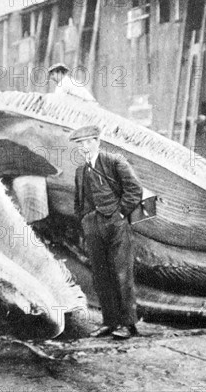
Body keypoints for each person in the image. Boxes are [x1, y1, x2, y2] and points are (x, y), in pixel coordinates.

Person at [71, 125, 142, 339]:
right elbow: (79, 200)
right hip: (92, 226)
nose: (84, 147)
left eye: (87, 142)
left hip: (116, 224)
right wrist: (84, 220)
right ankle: (110, 322)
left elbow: (134, 189)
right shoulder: (80, 171)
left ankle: (128, 324)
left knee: (122, 274)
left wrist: (120, 213)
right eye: (80, 144)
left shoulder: (114, 161)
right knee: (101, 276)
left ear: (97, 141)